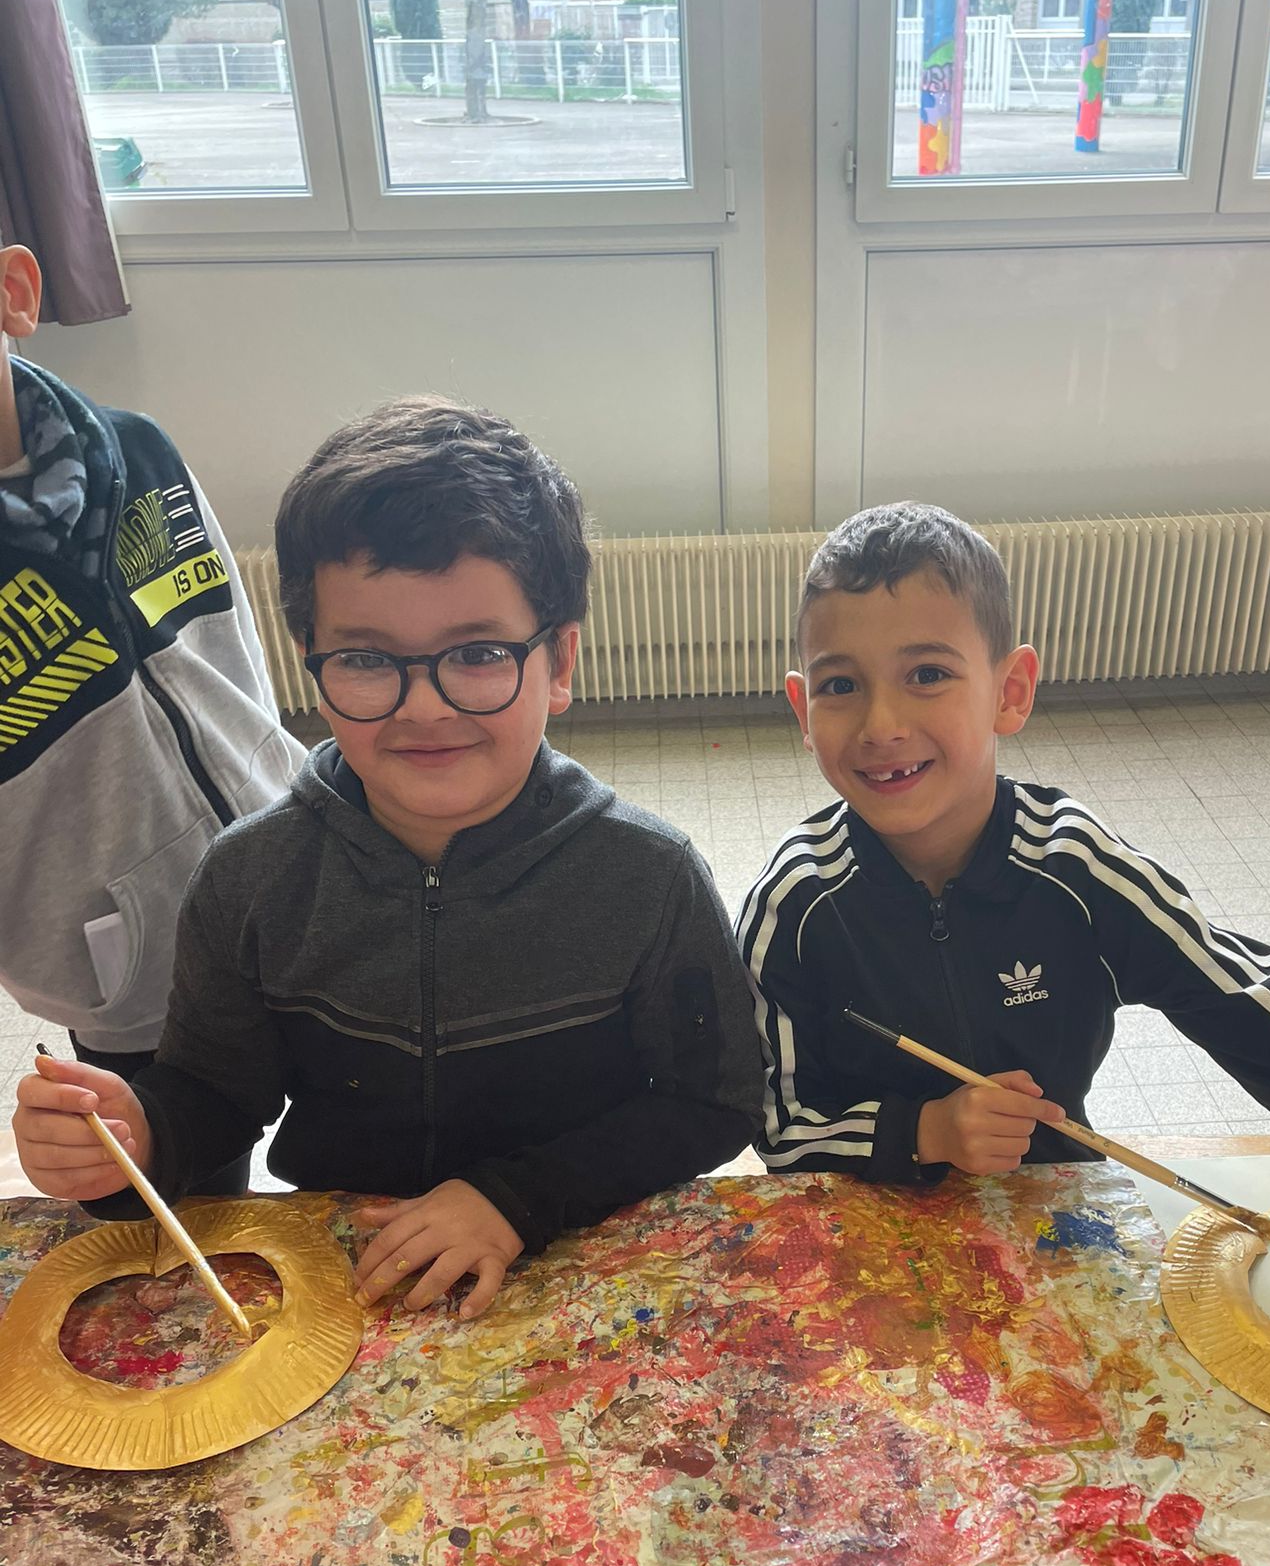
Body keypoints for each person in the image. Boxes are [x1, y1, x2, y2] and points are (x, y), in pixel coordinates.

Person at [737, 501, 1270, 1374]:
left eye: (927, 674)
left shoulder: (1080, 871)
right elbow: (780, 1131)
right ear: (802, 708)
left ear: (1011, 691)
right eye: (840, 686)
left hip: (1052, 1230)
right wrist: (923, 1130)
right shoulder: (793, 904)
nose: (881, 724)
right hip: (862, 1266)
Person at [13, 397, 763, 1318]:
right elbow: (215, 1093)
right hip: (357, 1283)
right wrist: (139, 1134)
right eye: (368, 661)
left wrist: (517, 1198)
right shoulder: (249, 881)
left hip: (583, 1266)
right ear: (309, 658)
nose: (425, 707)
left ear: (561, 662)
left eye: (477, 653)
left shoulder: (649, 877)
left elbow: (714, 1104)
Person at [0, 233, 303, 1199]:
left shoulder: (141, 450)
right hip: (130, 980)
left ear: (14, 291)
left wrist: (286, 789)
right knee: (181, 1211)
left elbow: (231, 652)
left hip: (305, 878)